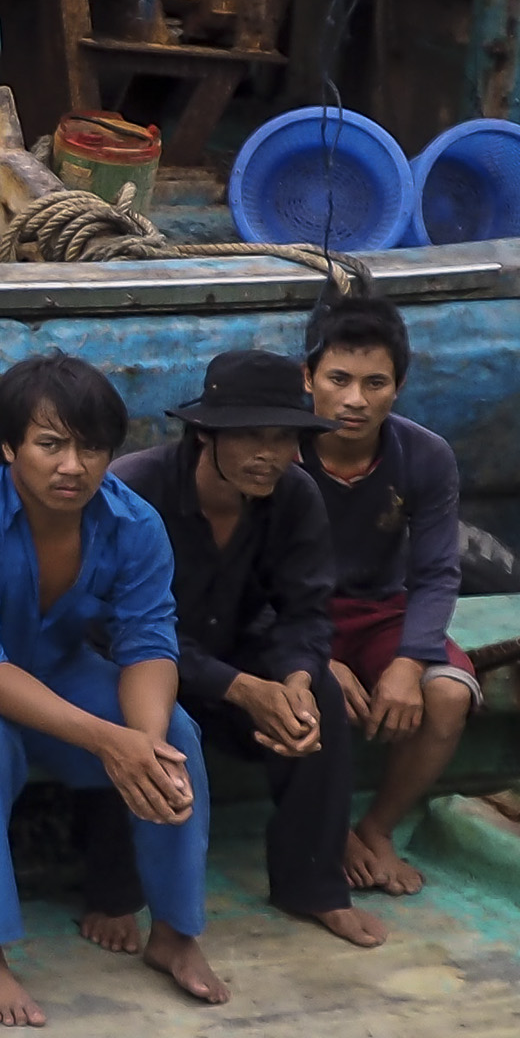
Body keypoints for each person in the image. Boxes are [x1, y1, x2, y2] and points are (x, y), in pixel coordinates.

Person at [0, 352, 227, 1027]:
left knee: (175, 734)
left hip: (56, 665)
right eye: (50, 444)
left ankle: (175, 933)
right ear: (9, 447)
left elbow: (148, 641)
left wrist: (142, 744)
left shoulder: (132, 521)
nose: (73, 466)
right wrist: (108, 741)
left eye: (92, 447)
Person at [100, 351, 383, 949]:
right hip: (140, 664)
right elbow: (118, 626)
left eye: (284, 438)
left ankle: (314, 885)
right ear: (205, 434)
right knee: (138, 715)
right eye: (251, 436)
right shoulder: (136, 489)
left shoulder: (295, 495)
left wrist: (295, 682)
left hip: (234, 656)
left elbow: (305, 611)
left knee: (321, 695)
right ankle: (112, 889)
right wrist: (244, 689)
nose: (270, 455)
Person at [302, 297, 475, 897]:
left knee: (448, 693)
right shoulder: (277, 449)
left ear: (398, 386)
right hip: (292, 612)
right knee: (309, 690)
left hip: (379, 611)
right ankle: (326, 828)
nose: (355, 399)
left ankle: (376, 827)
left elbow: (437, 573)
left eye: (375, 383)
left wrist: (409, 661)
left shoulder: (425, 456)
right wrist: (314, 656)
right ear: (308, 378)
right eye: (338, 379)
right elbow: (249, 574)